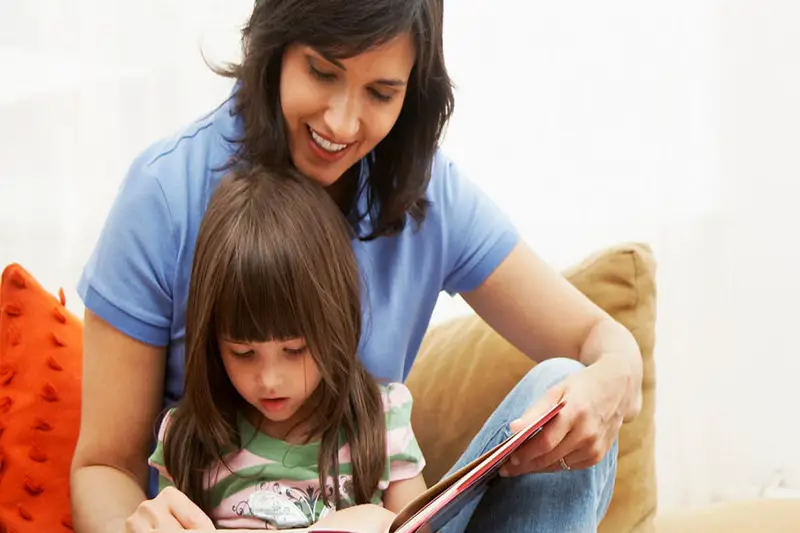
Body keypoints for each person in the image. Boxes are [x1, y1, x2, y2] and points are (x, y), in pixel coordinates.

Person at [70, 0, 644, 532]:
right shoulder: (165, 195)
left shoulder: (426, 195)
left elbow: (599, 338)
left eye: (381, 93)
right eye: (322, 72)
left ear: (413, 92)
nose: (343, 124)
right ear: (275, 49)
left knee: (561, 389)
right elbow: (102, 466)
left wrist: (613, 377)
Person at [147, 167, 426, 530]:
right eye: (243, 353)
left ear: (337, 323)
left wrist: (380, 521)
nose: (269, 380)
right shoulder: (189, 440)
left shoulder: (383, 421)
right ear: (213, 342)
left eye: (295, 350)